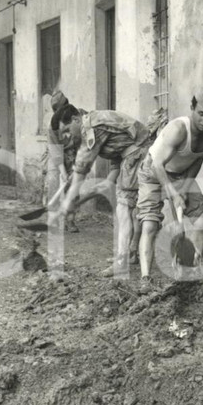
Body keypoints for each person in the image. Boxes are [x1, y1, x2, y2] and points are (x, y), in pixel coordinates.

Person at [53, 105, 153, 277]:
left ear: (77, 120)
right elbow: (118, 148)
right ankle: (132, 252)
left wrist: (68, 203)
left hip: (138, 155)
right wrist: (106, 183)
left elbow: (81, 170)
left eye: (68, 130)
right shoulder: (95, 120)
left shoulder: (91, 127)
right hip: (136, 154)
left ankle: (121, 263)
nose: (68, 136)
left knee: (124, 209)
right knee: (132, 208)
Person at [137, 85, 203, 284]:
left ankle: (192, 269)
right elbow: (158, 164)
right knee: (149, 224)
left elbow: (197, 159)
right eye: (201, 114)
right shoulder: (178, 130)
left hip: (181, 174)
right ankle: (145, 278)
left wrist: (184, 187)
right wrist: (173, 194)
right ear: (192, 108)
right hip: (152, 172)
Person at [46, 92, 84, 233]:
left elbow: (84, 145)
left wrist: (76, 166)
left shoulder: (77, 119)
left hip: (74, 153)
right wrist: (62, 171)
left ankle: (70, 220)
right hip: (56, 155)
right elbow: (55, 151)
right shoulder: (53, 126)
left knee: (74, 187)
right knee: (53, 183)